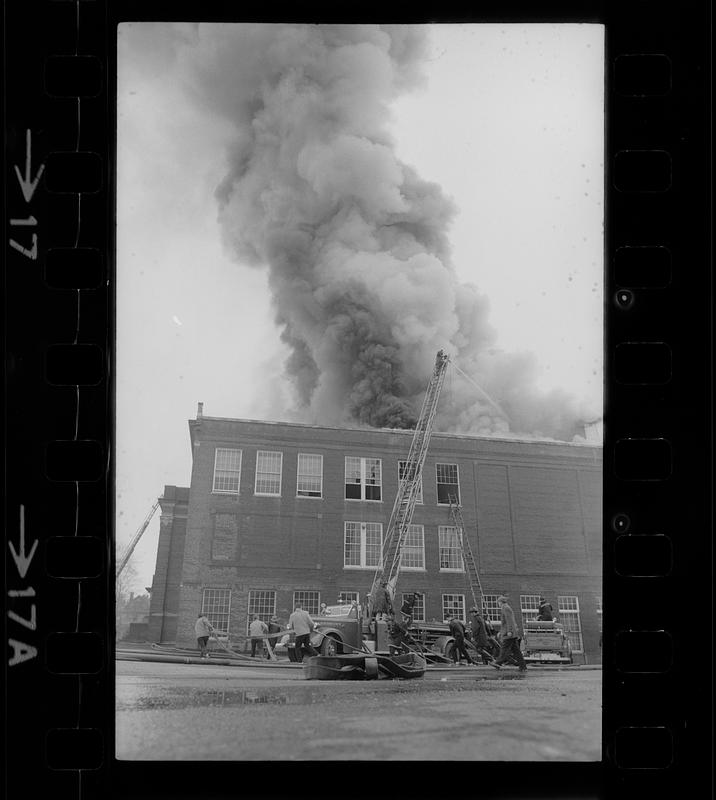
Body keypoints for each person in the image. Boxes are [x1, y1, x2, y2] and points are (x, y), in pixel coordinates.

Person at [493, 595, 527, 671]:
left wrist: (509, 631)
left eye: (498, 602)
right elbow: (506, 622)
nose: (498, 604)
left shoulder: (506, 608)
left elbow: (509, 621)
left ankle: (498, 662)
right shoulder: (505, 608)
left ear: (501, 602)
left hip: (509, 633)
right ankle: (523, 666)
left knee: (504, 648)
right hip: (509, 632)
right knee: (516, 651)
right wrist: (501, 632)